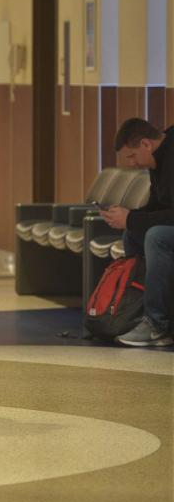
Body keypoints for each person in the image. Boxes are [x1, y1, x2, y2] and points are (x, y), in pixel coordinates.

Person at [101, 118, 174, 347]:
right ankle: (134, 311)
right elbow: (157, 206)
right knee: (132, 234)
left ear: (146, 144)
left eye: (132, 156)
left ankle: (157, 325)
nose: (132, 164)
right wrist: (128, 216)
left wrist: (131, 218)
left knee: (156, 237)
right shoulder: (158, 160)